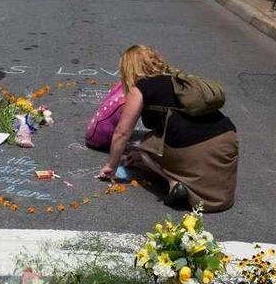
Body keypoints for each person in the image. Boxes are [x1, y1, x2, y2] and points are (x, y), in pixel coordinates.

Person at [98, 45, 239, 212]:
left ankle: (175, 183)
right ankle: (208, 189)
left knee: (142, 146)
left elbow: (122, 133)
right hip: (227, 138)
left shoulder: (141, 87)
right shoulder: (180, 80)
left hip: (192, 147)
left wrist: (112, 166)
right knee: (174, 140)